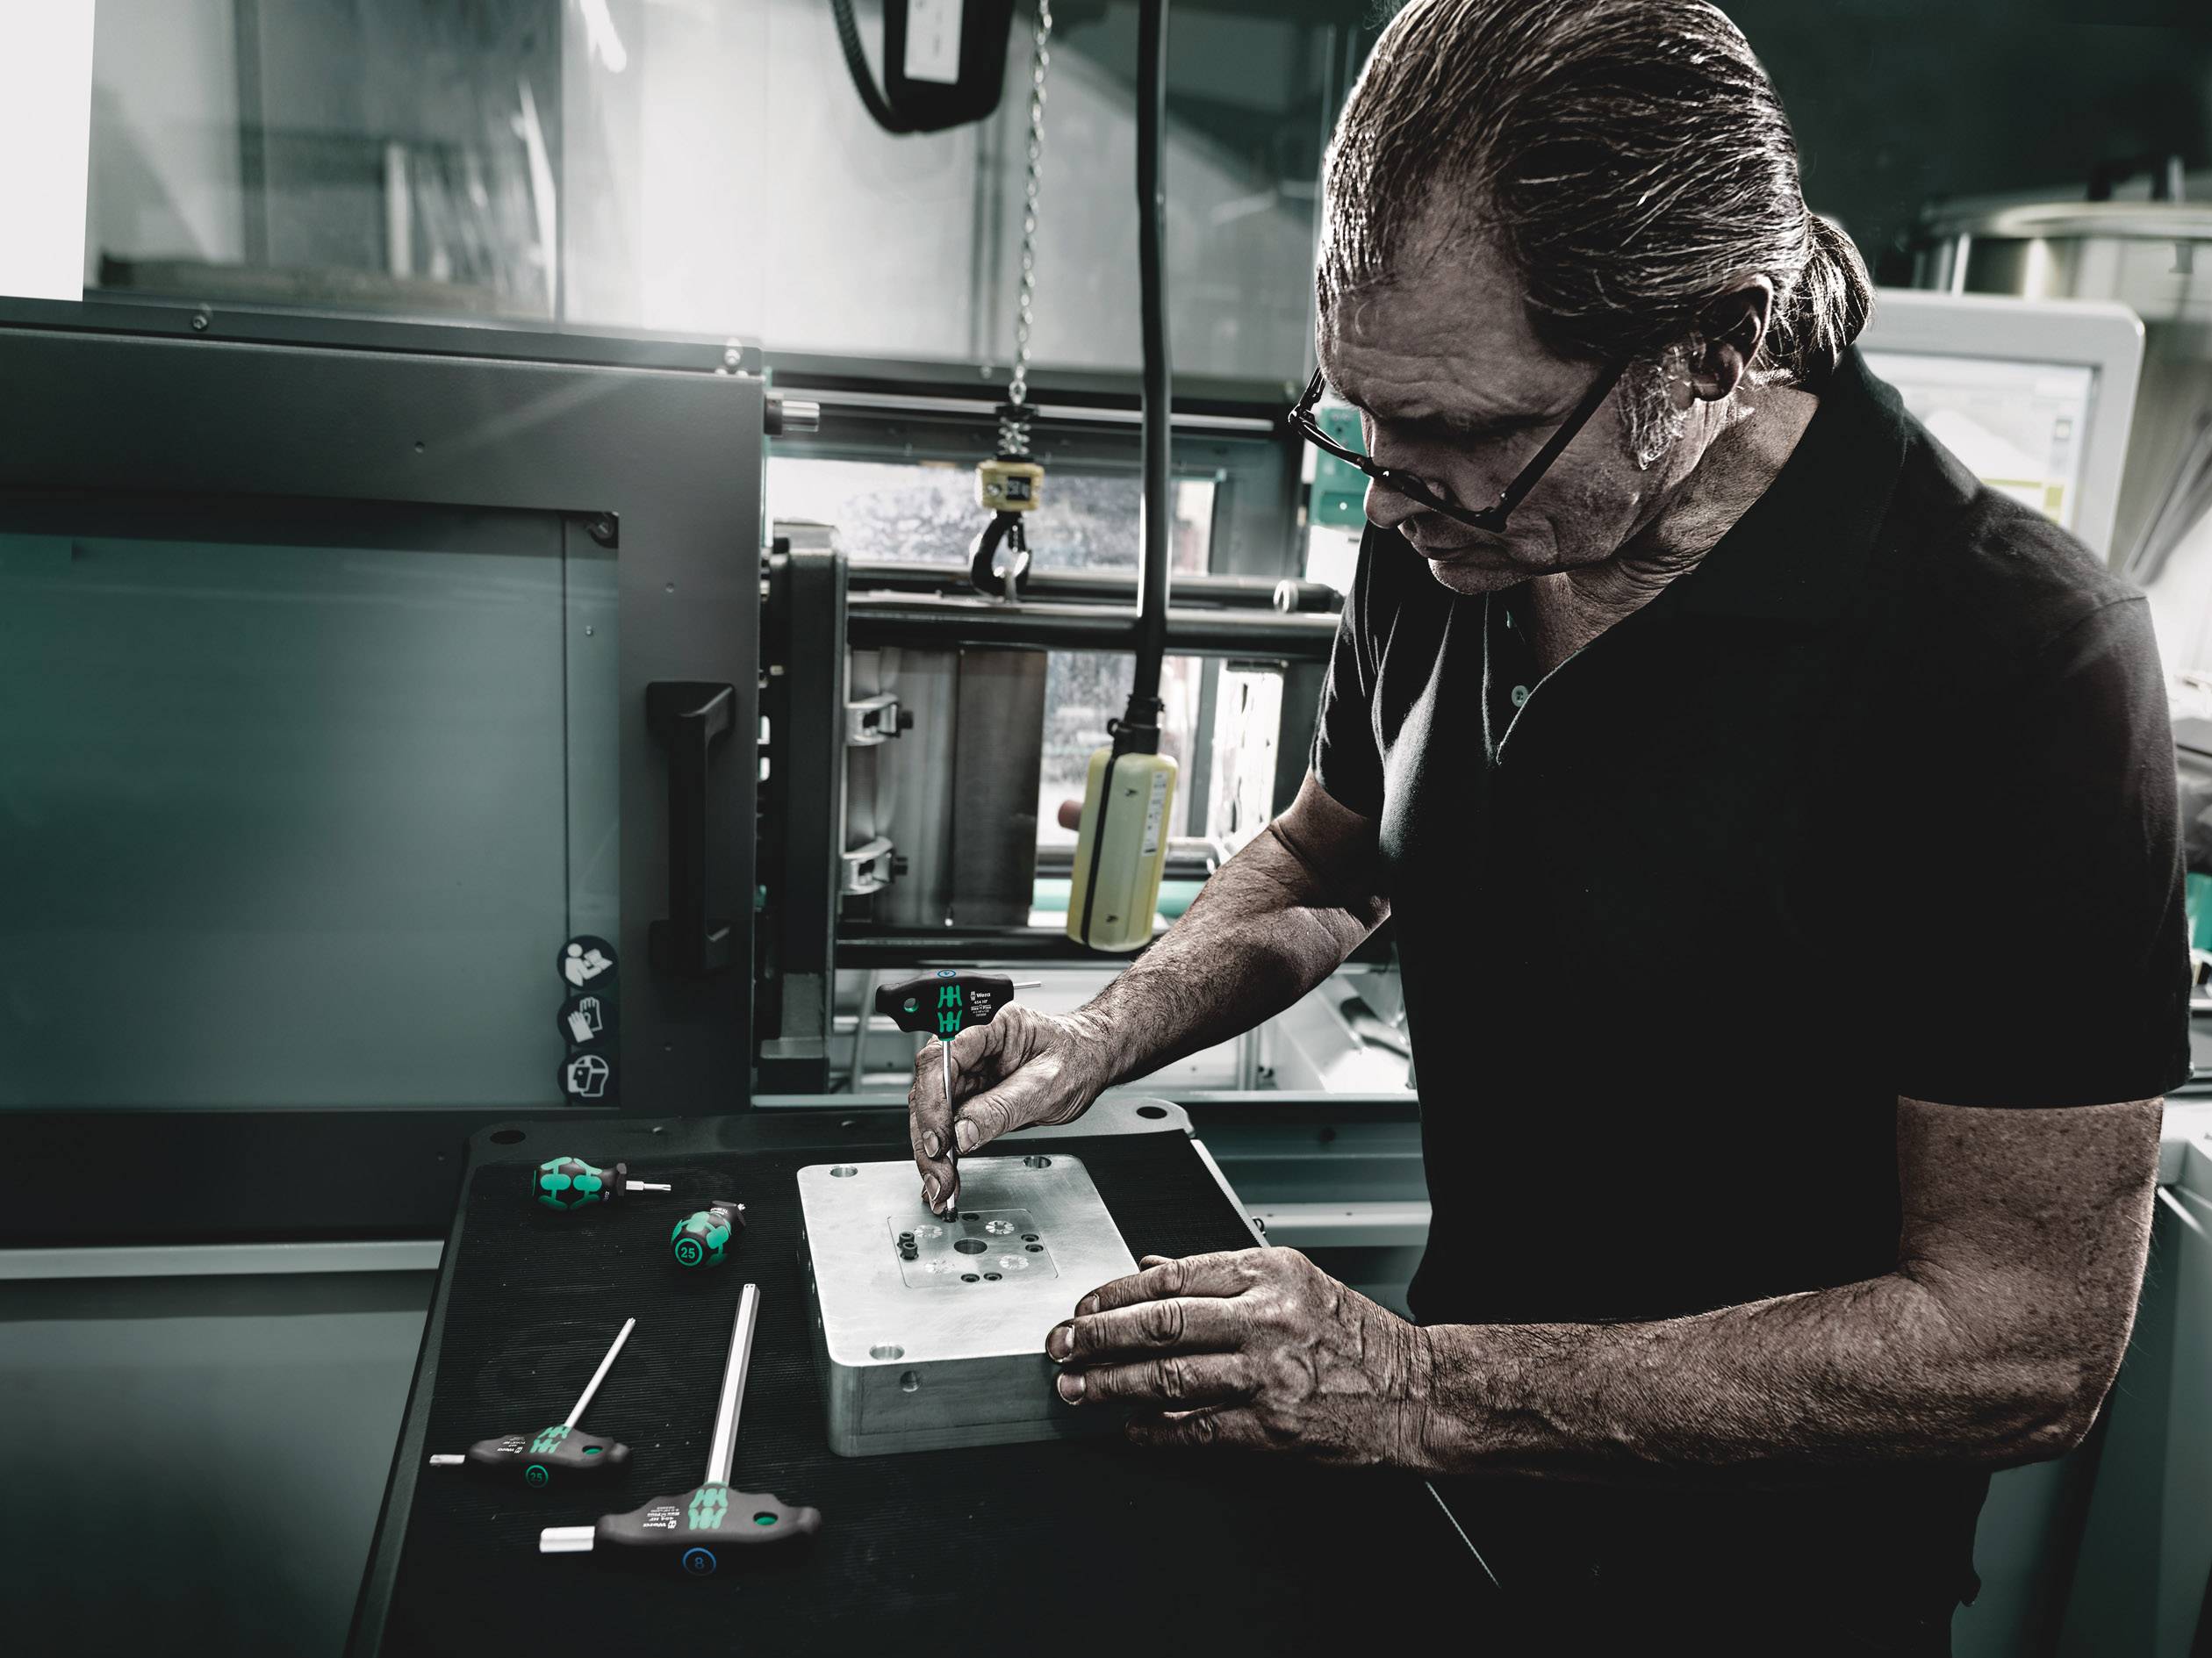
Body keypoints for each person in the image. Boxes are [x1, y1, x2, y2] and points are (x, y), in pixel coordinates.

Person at [906, 2, 2189, 1648]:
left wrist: (1420, 1385)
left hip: (1766, 1591)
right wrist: (1105, 1031)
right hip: (1449, 1506)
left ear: (1713, 354)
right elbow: (1329, 855)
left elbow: (2025, 1337)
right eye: (1363, 415)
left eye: (1464, 432)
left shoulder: (2014, 660)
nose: (1391, 488)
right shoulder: (1454, 533)